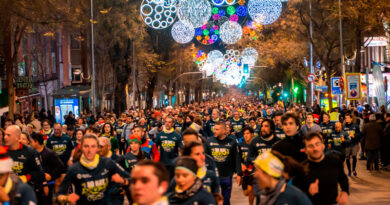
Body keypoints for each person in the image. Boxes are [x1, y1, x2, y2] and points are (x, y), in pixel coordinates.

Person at [57, 134, 130, 204]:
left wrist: (123, 182)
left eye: (93, 146)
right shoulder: (74, 169)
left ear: (97, 148)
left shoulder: (107, 162)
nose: (89, 150)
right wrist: (66, 198)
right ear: (81, 147)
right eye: (86, 146)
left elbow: (131, 178)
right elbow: (59, 195)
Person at [302, 133, 349, 205]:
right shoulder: (301, 168)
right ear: (305, 150)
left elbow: (343, 178)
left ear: (323, 146)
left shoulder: (335, 162)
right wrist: (307, 192)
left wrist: (345, 191)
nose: (315, 148)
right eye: (310, 146)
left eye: (317, 144)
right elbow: (295, 194)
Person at [205, 121, 242, 205]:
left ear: (224, 131)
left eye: (217, 129)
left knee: (226, 198)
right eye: (214, 129)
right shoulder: (209, 141)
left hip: (227, 174)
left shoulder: (232, 142)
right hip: (213, 175)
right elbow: (205, 159)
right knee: (212, 198)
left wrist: (239, 174)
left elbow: (237, 158)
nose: (214, 131)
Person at [4, 125, 46, 197]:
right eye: (5, 134)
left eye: (8, 135)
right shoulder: (2, 151)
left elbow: (40, 173)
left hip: (25, 191)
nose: (5, 137)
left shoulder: (31, 152)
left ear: (17, 137)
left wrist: (25, 178)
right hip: (6, 191)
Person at [29, 133, 65, 205]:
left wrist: (51, 175)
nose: (30, 143)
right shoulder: (31, 153)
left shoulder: (50, 153)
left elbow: (61, 166)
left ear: (36, 142)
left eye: (31, 141)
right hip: (35, 185)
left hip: (48, 185)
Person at [239, 126, 255, 205]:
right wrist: (241, 165)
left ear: (252, 134)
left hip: (253, 171)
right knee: (246, 193)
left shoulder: (255, 144)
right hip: (245, 172)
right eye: (244, 134)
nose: (245, 135)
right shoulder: (240, 145)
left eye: (247, 133)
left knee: (250, 189)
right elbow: (238, 158)